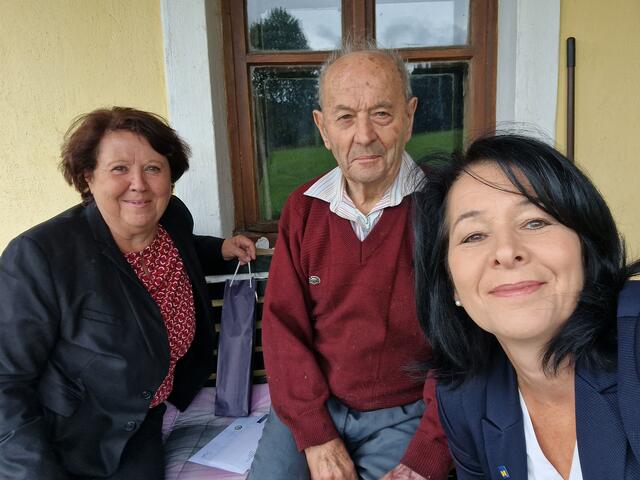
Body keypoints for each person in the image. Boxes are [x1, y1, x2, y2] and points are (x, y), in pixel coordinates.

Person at [0, 107, 256, 479]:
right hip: (67, 440)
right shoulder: (41, 256)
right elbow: (6, 381)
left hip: (142, 425)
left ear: (170, 178)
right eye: (119, 168)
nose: (139, 183)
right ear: (88, 177)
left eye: (153, 168)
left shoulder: (171, 217)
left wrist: (219, 250)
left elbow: (185, 247)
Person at [250, 45, 451, 480]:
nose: (363, 135)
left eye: (381, 113)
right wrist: (316, 433)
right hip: (312, 402)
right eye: (345, 117)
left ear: (410, 116)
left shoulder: (445, 208)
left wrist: (429, 451)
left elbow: (462, 348)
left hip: (406, 412)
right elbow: (283, 328)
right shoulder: (303, 209)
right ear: (323, 128)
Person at [413, 133, 640, 479]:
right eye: (474, 235)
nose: (506, 251)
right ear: (449, 284)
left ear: (585, 246)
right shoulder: (464, 399)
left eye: (535, 222)